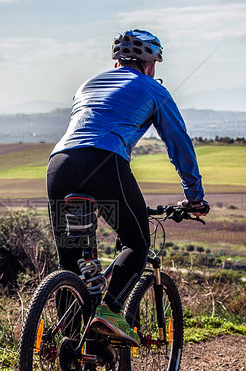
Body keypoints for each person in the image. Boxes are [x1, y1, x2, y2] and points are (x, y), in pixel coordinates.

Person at [47, 29, 208, 346]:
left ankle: (70, 346)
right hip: (105, 163)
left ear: (117, 61)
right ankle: (109, 313)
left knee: (71, 260)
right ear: (150, 63)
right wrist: (194, 196)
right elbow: (179, 144)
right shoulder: (152, 88)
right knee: (136, 243)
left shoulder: (88, 84)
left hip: (59, 165)